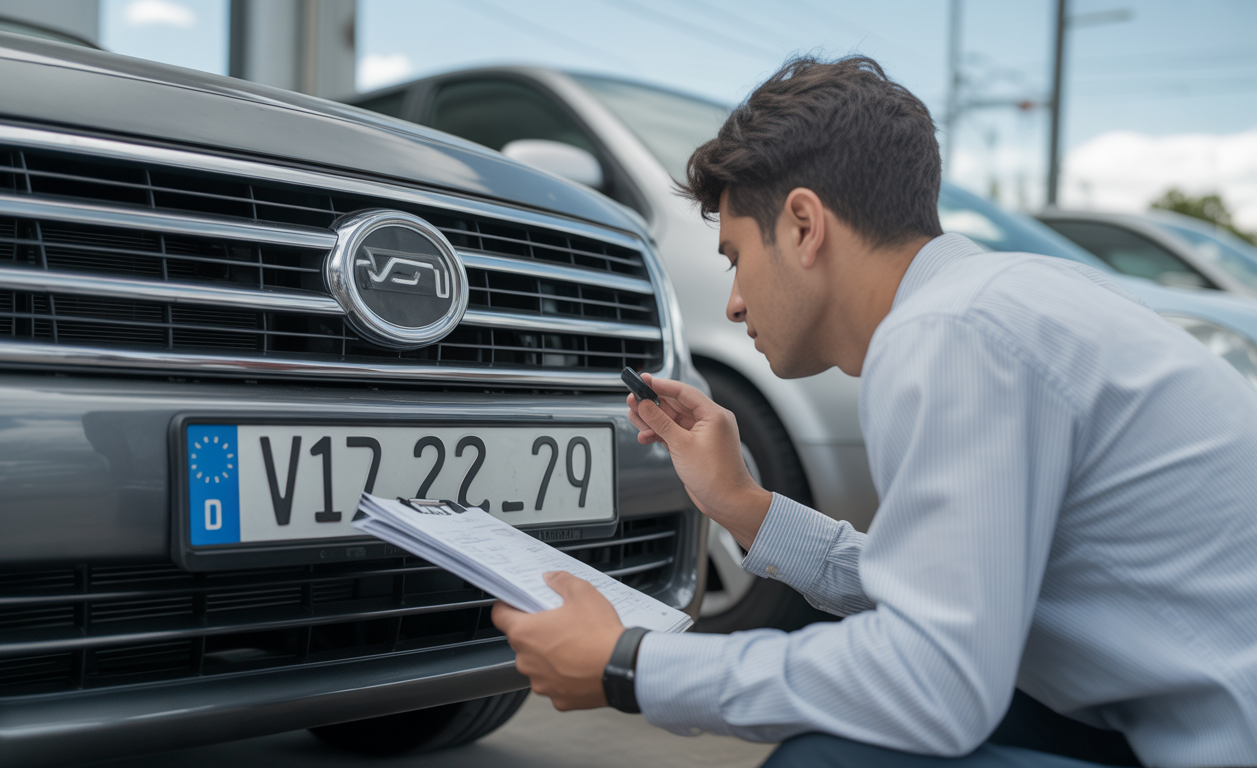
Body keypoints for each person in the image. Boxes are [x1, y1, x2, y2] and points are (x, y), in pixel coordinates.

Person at [491, 56, 1257, 767]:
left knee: (826, 759)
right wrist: (744, 505)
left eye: (735, 258)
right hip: (1172, 714)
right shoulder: (1002, 299)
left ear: (802, 224)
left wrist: (630, 665)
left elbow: (934, 681)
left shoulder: (949, 333)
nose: (732, 301)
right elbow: (938, 595)